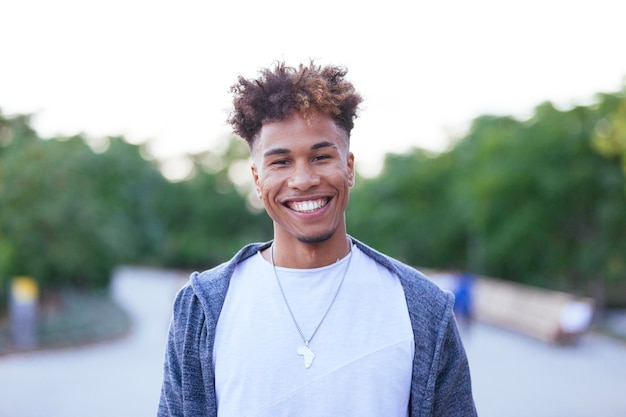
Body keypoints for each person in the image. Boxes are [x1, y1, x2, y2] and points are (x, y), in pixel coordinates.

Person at [158, 61, 477, 417]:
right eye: (280, 162)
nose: (303, 179)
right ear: (256, 178)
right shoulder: (201, 309)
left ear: (350, 167)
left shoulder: (424, 308)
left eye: (321, 157)